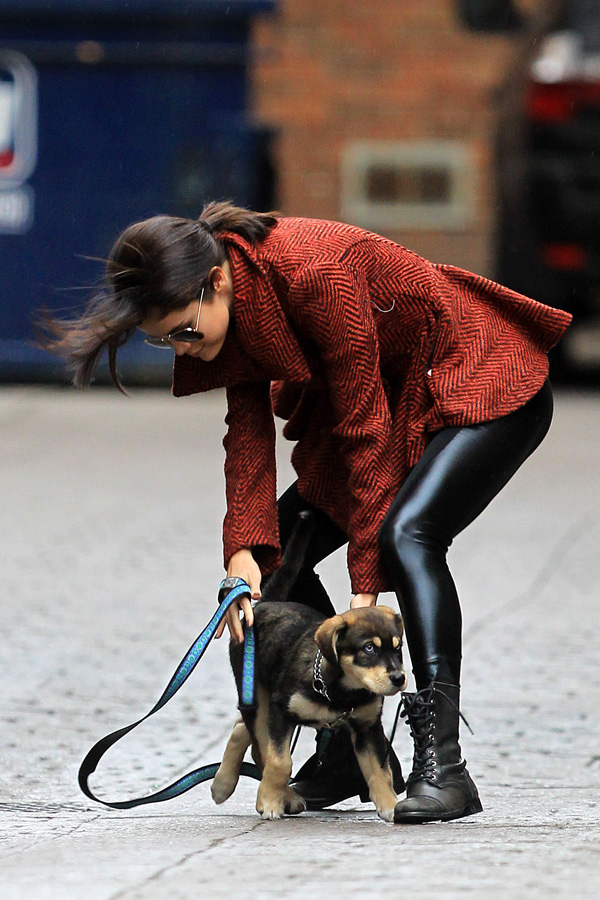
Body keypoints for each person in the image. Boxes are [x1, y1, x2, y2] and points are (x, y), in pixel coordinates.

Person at [40, 202, 571, 823]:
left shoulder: (315, 272)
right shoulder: (225, 298)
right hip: (394, 396)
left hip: (480, 376)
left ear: (214, 283)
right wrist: (243, 552)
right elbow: (247, 436)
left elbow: (365, 428)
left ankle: (444, 766)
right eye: (164, 341)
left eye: (184, 329)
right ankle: (345, 749)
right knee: (280, 557)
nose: (182, 347)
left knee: (407, 536)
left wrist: (364, 582)